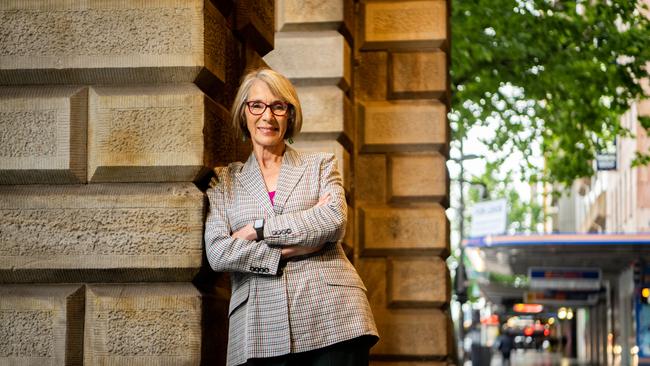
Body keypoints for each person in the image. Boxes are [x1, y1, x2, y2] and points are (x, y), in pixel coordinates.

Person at [205, 68, 379, 366]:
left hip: (333, 316)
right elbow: (219, 252)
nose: (268, 116)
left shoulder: (320, 165)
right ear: (243, 112)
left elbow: (333, 221)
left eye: (278, 106)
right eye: (257, 105)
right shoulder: (225, 181)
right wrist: (293, 248)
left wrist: (256, 230)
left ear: (290, 114)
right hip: (258, 326)